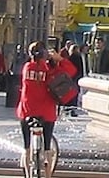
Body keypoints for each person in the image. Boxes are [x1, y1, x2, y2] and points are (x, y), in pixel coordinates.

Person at [16, 41, 78, 177]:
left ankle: (27, 172)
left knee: (26, 147)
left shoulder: (26, 67)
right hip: (46, 112)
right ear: (45, 54)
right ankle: (48, 174)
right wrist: (58, 59)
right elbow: (72, 71)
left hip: (27, 111)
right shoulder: (49, 70)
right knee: (47, 147)